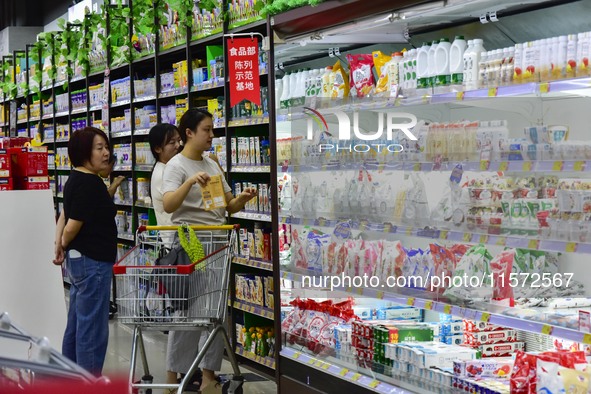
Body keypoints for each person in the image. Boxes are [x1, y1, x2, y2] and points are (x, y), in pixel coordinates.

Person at [161, 109, 256, 392]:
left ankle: (208, 376)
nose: (211, 135)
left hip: (218, 241)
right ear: (189, 133)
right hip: (191, 240)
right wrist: (190, 182)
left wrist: (243, 198)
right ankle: (173, 375)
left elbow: (228, 205)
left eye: (212, 129)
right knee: (188, 311)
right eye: (206, 130)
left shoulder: (213, 164)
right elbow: (168, 205)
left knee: (215, 312)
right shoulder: (176, 166)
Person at [52, 127, 119, 376]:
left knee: (78, 324)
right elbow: (71, 225)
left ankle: (68, 379)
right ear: (83, 152)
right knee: (92, 328)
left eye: (106, 147)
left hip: (81, 262)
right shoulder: (90, 183)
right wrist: (63, 243)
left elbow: (64, 215)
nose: (106, 153)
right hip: (94, 263)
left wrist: (58, 245)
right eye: (99, 148)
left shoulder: (74, 179)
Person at [148, 123, 181, 226]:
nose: (178, 145)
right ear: (158, 149)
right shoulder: (162, 173)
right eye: (172, 142)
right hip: (174, 236)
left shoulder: (170, 167)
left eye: (179, 140)